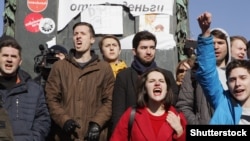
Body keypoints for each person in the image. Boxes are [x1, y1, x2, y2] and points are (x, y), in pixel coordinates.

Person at [45, 22, 115, 141]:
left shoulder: (104, 68)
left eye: (83, 33)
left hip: (94, 136)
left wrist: (97, 123)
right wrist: (64, 120)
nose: (78, 36)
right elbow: (51, 98)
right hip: (66, 136)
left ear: (92, 39)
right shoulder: (60, 67)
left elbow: (110, 100)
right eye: (75, 34)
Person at [111, 31, 178, 133]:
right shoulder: (124, 77)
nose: (149, 52)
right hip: (134, 132)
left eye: (152, 47)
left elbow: (174, 104)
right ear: (134, 51)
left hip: (161, 131)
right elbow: (118, 113)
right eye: (144, 48)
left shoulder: (166, 75)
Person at [196, 11, 250, 124]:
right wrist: (205, 34)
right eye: (232, 79)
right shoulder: (224, 102)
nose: (237, 83)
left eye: (243, 78)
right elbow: (207, 74)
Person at [176, 25, 232, 124]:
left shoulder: (236, 73)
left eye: (220, 43)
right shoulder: (194, 73)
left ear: (228, 46)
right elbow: (183, 105)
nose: (216, 47)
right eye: (212, 43)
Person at [110, 68, 187, 141]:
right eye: (152, 81)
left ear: (167, 89)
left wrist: (180, 131)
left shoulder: (178, 116)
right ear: (145, 89)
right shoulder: (131, 114)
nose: (157, 83)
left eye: (161, 81)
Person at [0, 35, 51, 140]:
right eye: (5, 55)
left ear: (20, 61)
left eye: (14, 56)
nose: (9, 59)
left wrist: (33, 139)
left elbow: (43, 120)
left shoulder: (34, 90)